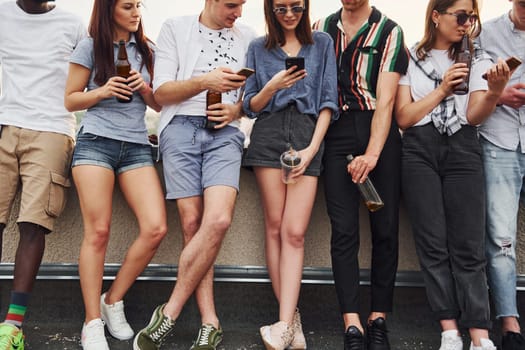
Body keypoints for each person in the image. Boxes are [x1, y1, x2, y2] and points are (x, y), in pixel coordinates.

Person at [132, 1, 256, 349]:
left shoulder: (249, 37)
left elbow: (253, 99)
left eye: (243, 5)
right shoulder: (176, 26)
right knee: (191, 224)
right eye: (233, 5)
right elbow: (161, 93)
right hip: (179, 129)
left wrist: (235, 109)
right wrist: (206, 81)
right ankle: (209, 321)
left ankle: (169, 311)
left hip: (226, 131)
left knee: (216, 221)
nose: (239, 13)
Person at [394, 0, 512, 349]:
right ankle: (449, 328)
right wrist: (443, 89)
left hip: (462, 146)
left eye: (472, 17)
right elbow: (404, 117)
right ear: (436, 16)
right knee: (432, 242)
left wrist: (493, 92)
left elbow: (474, 116)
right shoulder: (409, 57)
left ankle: (479, 333)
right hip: (418, 148)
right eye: (461, 16)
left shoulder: (477, 57)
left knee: (469, 244)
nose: (467, 23)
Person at [63, 0, 166, 349]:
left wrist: (144, 88)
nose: (136, 12)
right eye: (127, 6)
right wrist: (102, 90)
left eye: (138, 5)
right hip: (95, 142)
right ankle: (91, 322)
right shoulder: (91, 45)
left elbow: (158, 104)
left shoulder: (149, 50)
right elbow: (70, 100)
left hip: (136, 145)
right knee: (99, 231)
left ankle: (112, 300)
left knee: (155, 227)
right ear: (109, 11)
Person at [242, 0, 338, 349]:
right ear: (270, 9)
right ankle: (289, 322)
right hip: (268, 135)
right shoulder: (258, 47)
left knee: (294, 232)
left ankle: (284, 323)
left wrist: (312, 150)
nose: (288, 14)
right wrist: (274, 86)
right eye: (280, 8)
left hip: (306, 136)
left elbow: (329, 101)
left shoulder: (322, 43)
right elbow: (248, 104)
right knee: (275, 226)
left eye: (295, 7)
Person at [313, 1, 409, 349]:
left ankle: (378, 318)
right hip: (336, 130)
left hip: (377, 130)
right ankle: (351, 323)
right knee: (343, 230)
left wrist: (372, 152)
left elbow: (385, 101)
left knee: (385, 229)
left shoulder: (389, 30)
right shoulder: (320, 25)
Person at [0, 0, 85, 348]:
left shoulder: (73, 25)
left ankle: (13, 327)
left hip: (51, 129)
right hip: (4, 123)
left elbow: (90, 77)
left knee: (33, 224)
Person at [476, 1, 525, 349]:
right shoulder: (484, 32)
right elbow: (467, 86)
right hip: (499, 141)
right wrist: (497, 95)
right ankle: (510, 325)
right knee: (501, 237)